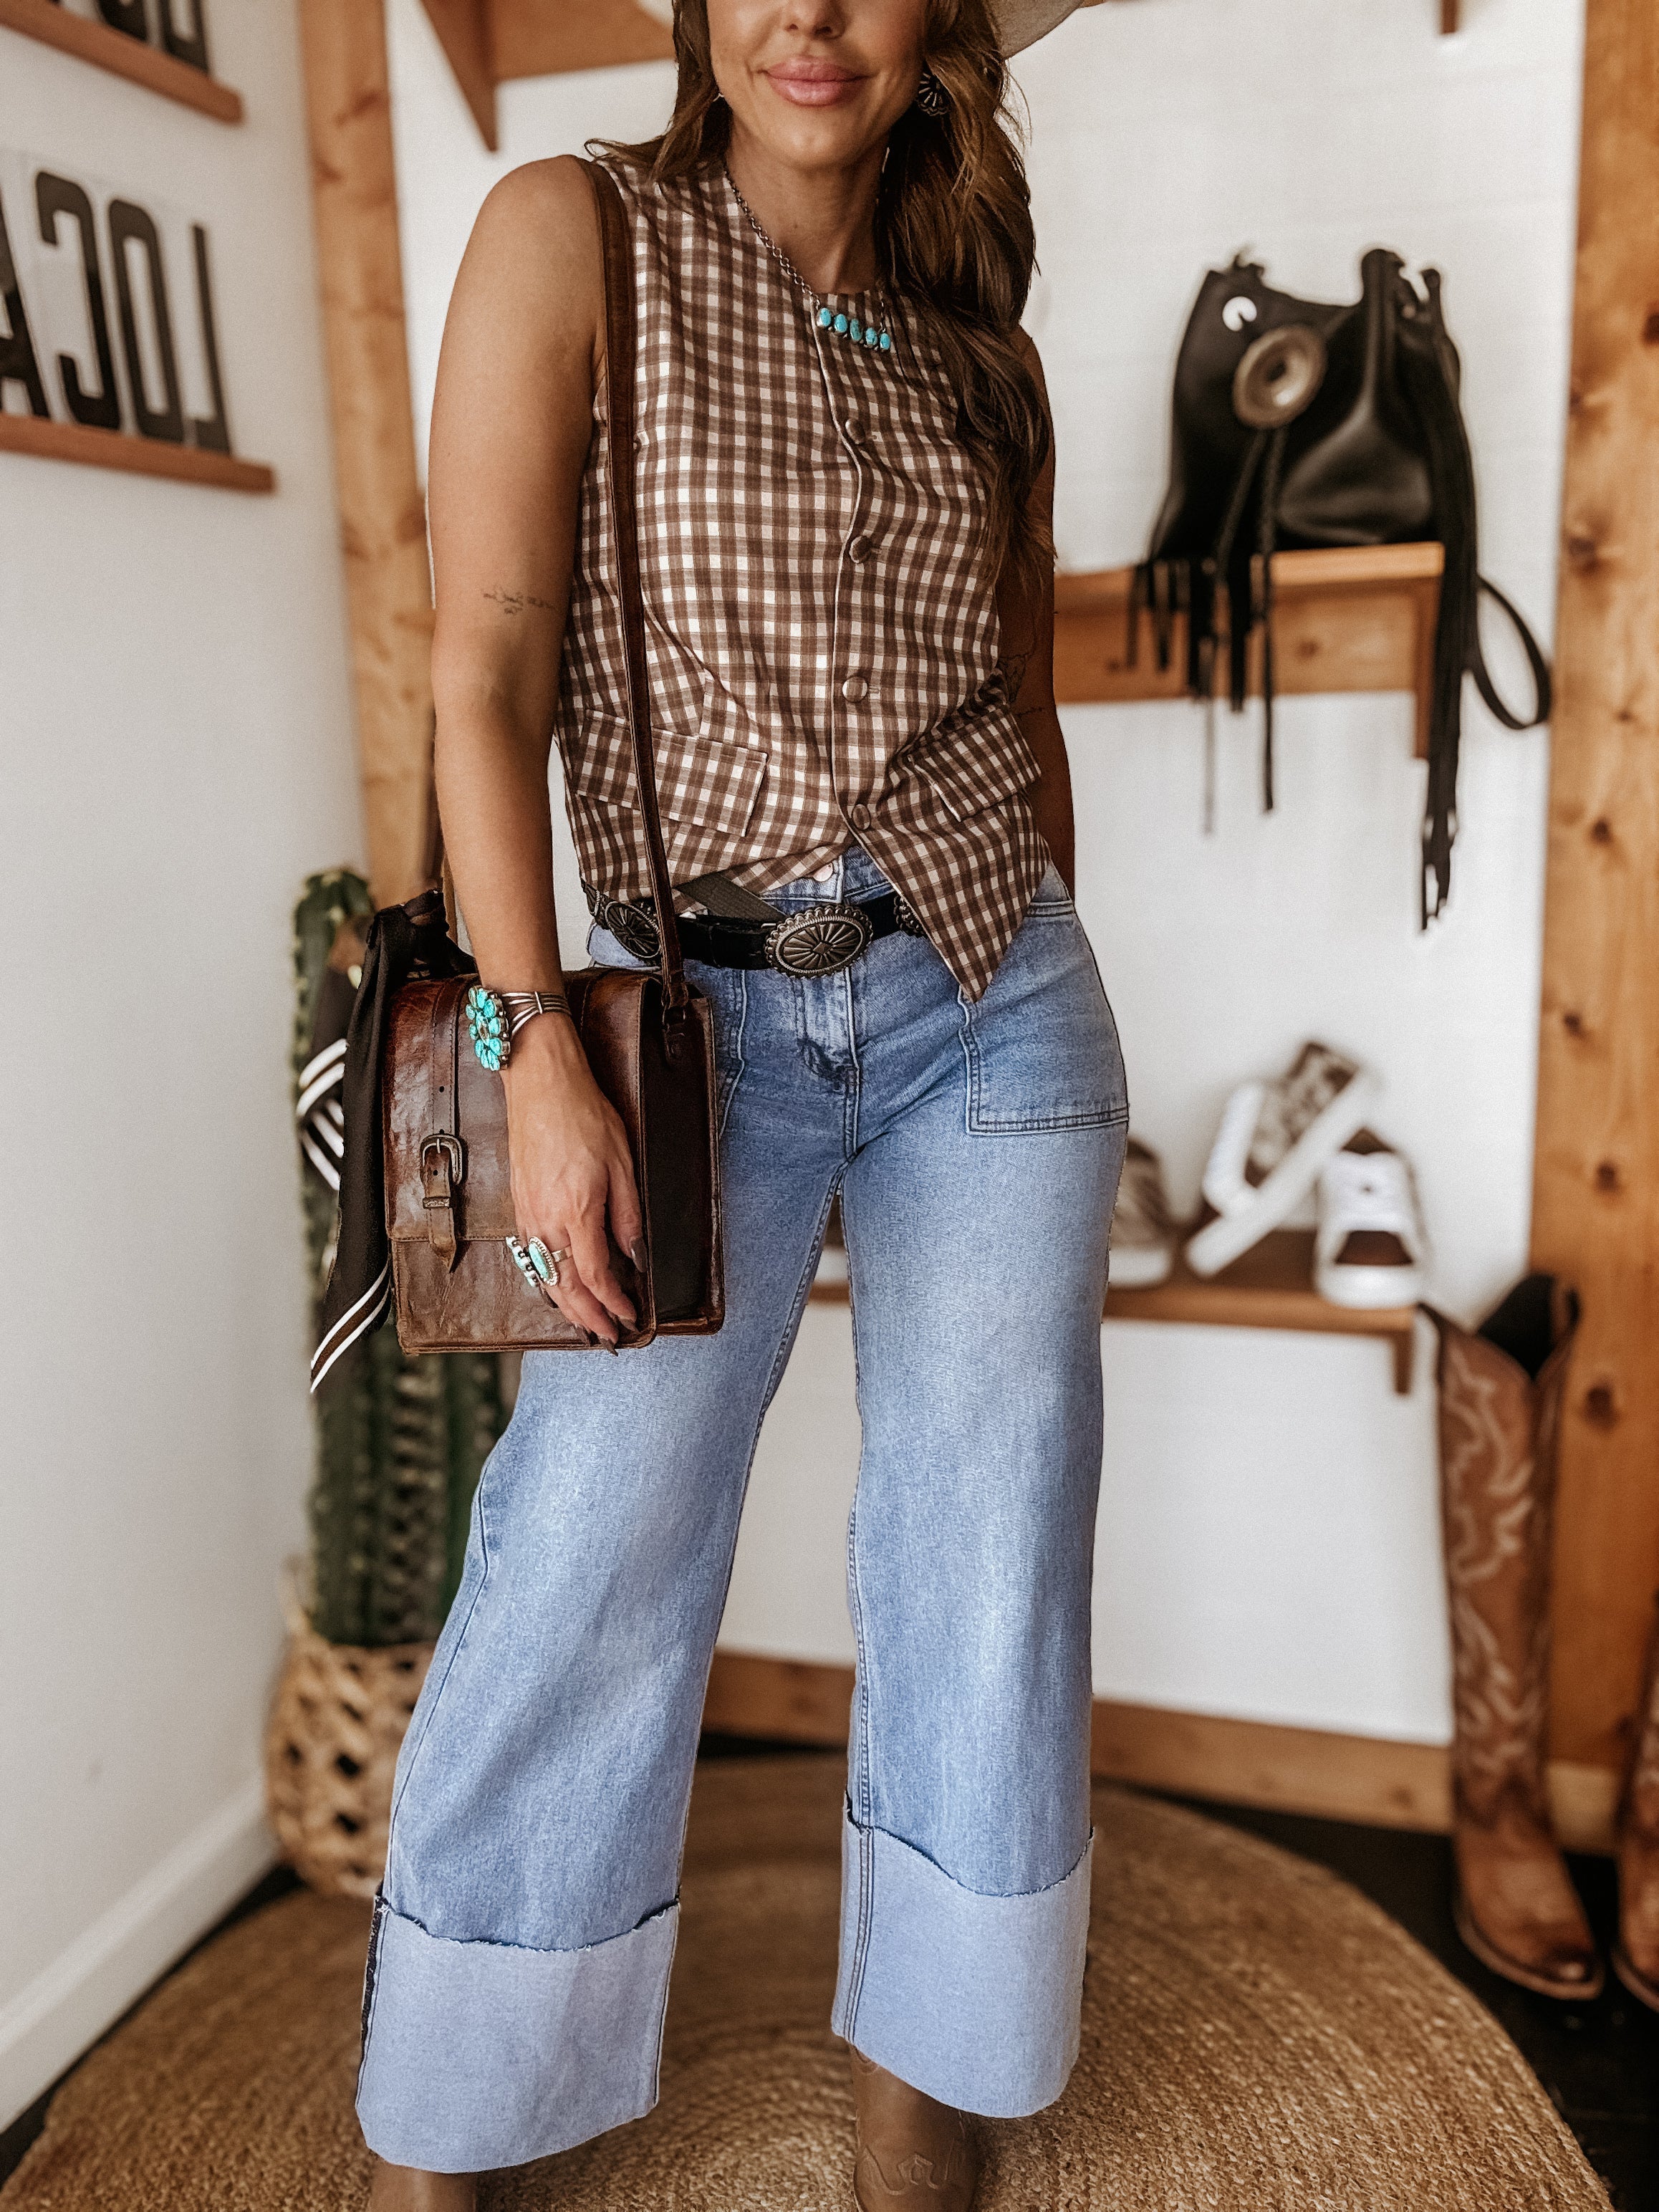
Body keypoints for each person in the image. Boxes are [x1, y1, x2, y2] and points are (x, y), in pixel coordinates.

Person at [358, 3, 1124, 2206]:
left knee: (991, 1571)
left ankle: (926, 2150)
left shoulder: (983, 335)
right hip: (688, 1031)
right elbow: (482, 679)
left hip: (997, 1008)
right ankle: (452, 2138)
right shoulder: (568, 235)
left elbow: (1026, 707)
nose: (813, 19)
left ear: (936, 24)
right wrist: (529, 1055)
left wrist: (1064, 1002)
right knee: (585, 1565)